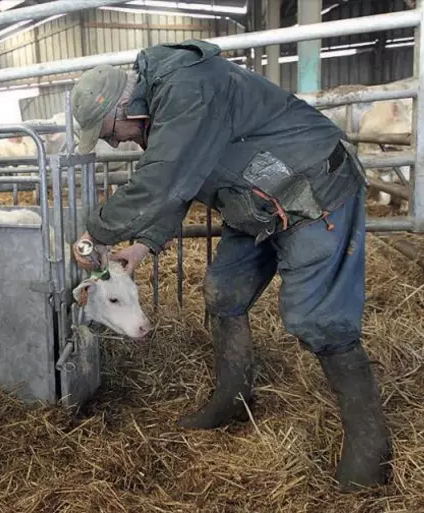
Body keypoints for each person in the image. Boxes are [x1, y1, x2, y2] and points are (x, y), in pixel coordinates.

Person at [69, 40, 390, 492]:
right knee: (223, 291)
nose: (116, 141)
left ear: (126, 108)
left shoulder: (187, 87)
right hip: (257, 198)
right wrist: (142, 246)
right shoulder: (168, 106)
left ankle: (370, 447)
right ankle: (233, 398)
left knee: (317, 317)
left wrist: (95, 232)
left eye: (110, 131)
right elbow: (182, 181)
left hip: (313, 186)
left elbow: (162, 178)